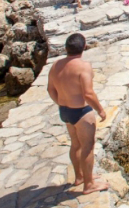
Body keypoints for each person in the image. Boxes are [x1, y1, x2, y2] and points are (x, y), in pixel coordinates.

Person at [47, 33, 108, 194]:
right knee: (87, 147)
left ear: (66, 48)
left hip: (65, 111)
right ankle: (89, 185)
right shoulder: (83, 66)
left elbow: (50, 89)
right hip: (81, 112)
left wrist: (61, 103)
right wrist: (100, 110)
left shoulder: (56, 66)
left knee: (75, 144)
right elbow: (88, 94)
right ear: (84, 46)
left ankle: (79, 177)